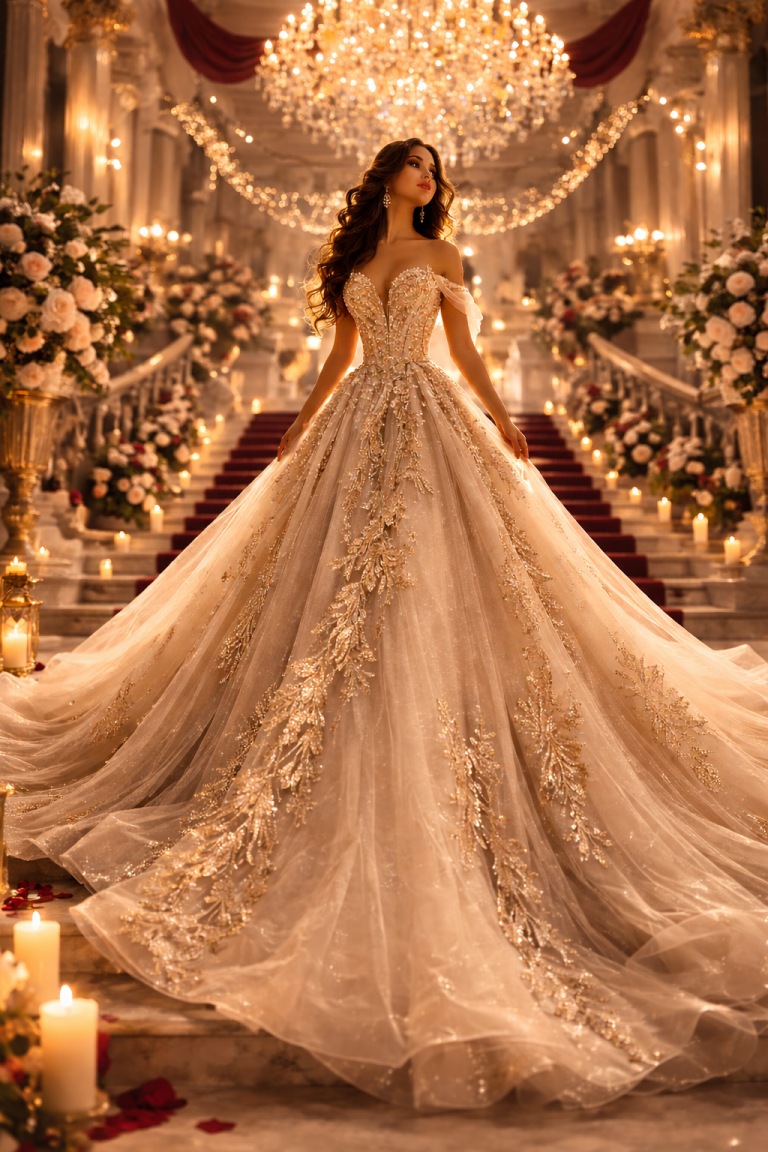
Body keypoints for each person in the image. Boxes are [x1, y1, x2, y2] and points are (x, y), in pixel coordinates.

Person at [3, 139, 768, 1111]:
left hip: (433, 422)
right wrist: (300, 425)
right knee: (323, 584)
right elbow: (339, 358)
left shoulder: (444, 260)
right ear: (387, 178)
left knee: (426, 576)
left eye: (434, 169)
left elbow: (472, 357)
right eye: (416, 167)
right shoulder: (358, 261)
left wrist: (499, 420)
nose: (428, 180)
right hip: (357, 418)